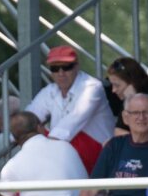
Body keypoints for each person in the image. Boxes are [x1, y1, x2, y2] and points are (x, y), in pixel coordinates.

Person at [25, 45, 115, 173]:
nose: (61, 73)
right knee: (32, 132)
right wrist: (18, 137)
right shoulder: (50, 90)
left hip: (101, 154)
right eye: (55, 68)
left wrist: (41, 149)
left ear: (76, 66)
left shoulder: (92, 87)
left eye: (66, 67)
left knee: (43, 139)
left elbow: (71, 124)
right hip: (65, 152)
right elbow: (27, 119)